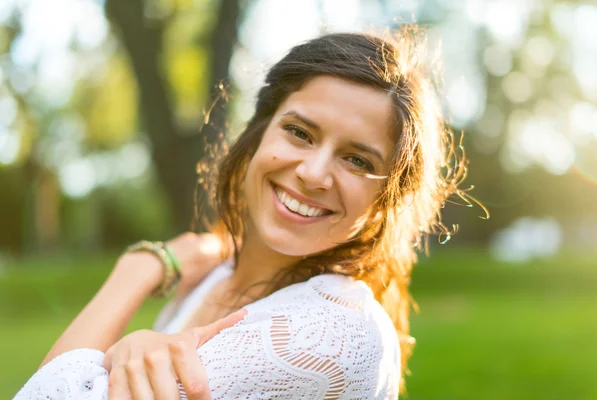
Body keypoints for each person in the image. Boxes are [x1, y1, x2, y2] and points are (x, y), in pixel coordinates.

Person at [15, 27, 472, 399]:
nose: (314, 174)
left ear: (386, 200)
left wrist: (140, 268)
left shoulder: (331, 335)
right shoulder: (215, 277)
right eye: (299, 132)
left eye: (358, 160)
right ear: (258, 133)